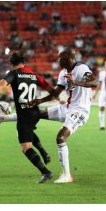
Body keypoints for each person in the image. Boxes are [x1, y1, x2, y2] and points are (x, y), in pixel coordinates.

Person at [0, 51, 54, 184]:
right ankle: (44, 153)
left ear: (11, 63)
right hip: (35, 112)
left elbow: (2, 84)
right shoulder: (34, 74)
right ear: (24, 62)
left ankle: (45, 172)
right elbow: (52, 91)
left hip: (24, 115)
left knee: (25, 147)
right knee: (27, 131)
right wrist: (40, 100)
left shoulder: (14, 74)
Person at [29, 48, 97, 183]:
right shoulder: (63, 73)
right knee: (35, 114)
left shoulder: (82, 68)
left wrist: (76, 83)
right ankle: (3, 118)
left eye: (60, 58)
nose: (58, 60)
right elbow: (56, 93)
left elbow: (94, 82)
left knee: (61, 137)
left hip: (80, 110)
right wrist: (40, 100)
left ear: (67, 58)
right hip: (67, 107)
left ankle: (67, 175)